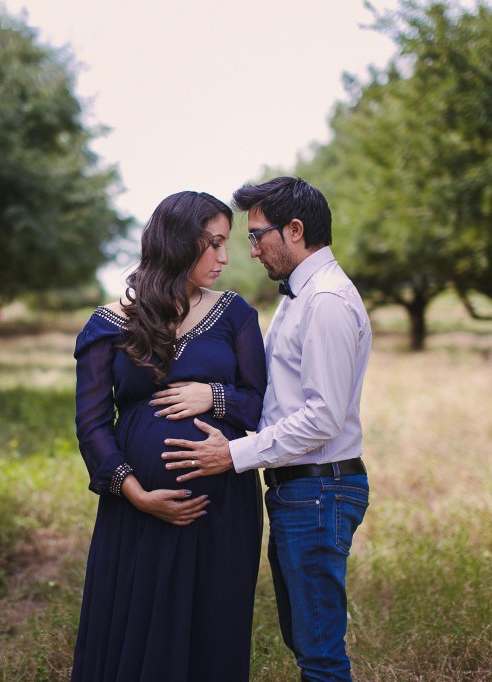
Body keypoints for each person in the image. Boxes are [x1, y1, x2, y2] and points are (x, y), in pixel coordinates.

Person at [162, 177, 372, 681]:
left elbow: (322, 418)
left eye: (257, 235)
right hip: (300, 489)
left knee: (320, 653)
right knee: (306, 641)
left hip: (318, 489)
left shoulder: (324, 302)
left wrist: (233, 454)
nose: (250, 250)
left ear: (295, 230)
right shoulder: (299, 297)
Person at [71, 190, 267, 682]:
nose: (225, 257)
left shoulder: (235, 314)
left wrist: (213, 397)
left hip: (220, 511)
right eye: (214, 244)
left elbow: (262, 404)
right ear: (179, 242)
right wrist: (137, 494)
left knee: (211, 628)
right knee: (135, 628)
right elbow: (91, 423)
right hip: (136, 511)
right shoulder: (110, 322)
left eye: (228, 244)